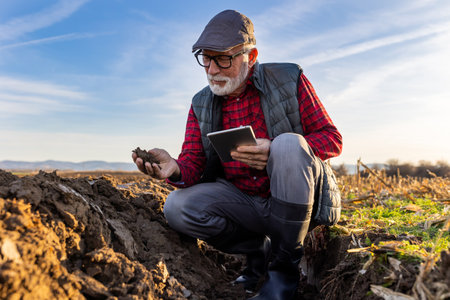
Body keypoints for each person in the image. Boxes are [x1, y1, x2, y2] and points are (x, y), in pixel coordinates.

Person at [132, 9, 343, 300]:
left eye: (223, 59)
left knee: (288, 145)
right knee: (177, 207)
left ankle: (282, 275)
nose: (212, 70)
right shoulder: (201, 103)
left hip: (296, 204)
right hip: (244, 203)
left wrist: (274, 149)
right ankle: (257, 249)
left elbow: (332, 138)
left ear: (251, 56)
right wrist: (174, 168)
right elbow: (194, 162)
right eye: (205, 58)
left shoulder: (288, 78)